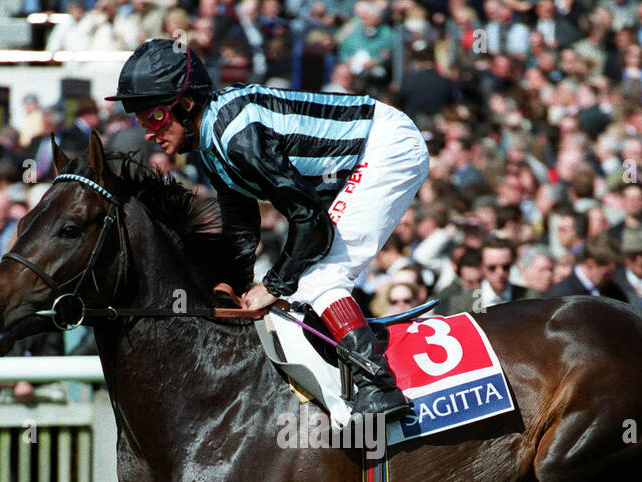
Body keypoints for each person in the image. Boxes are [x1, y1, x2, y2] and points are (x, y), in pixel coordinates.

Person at [108, 38, 428, 420]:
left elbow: (312, 224)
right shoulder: (211, 143)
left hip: (385, 148)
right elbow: (242, 233)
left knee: (319, 277)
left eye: (154, 117)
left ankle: (379, 387)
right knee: (301, 286)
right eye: (139, 120)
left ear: (187, 103)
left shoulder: (238, 138)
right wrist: (230, 289)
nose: (147, 132)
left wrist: (273, 285)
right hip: (351, 161)